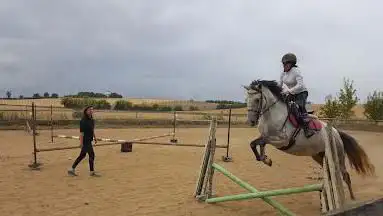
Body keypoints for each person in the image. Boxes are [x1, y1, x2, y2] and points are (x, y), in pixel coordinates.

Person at [279, 53, 315, 138]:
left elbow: (300, 85)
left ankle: (307, 129)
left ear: (292, 64)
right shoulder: (283, 74)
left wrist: (289, 91)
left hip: (302, 92)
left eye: (286, 63)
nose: (284, 66)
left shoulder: (296, 71)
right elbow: (279, 85)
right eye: (283, 64)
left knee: (299, 106)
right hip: (292, 93)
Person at [68, 105, 100, 176]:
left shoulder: (92, 120)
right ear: (86, 111)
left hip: (89, 140)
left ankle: (72, 169)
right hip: (85, 141)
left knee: (82, 155)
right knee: (92, 155)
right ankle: (92, 172)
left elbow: (92, 130)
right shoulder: (83, 121)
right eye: (89, 110)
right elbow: (81, 133)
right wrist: (81, 143)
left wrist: (95, 138)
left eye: (92, 109)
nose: (91, 111)